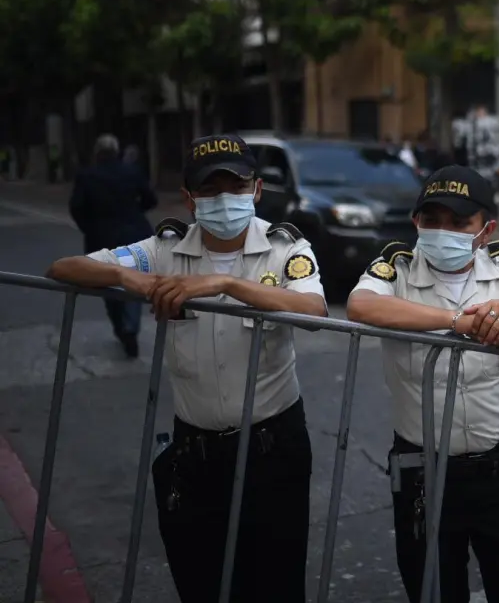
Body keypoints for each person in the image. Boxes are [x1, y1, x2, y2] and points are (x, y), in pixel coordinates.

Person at [47, 134, 327, 603]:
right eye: (210, 189)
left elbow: (314, 309)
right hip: (195, 451)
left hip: (272, 448)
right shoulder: (164, 249)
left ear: (256, 191)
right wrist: (123, 274)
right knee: (204, 584)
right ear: (189, 197)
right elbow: (63, 267)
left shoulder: (284, 249)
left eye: (235, 188)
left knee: (276, 586)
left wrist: (226, 284)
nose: (224, 200)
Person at [345, 165, 499, 602]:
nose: (442, 230)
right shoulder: (398, 267)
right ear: (416, 223)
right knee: (433, 590)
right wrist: (455, 322)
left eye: (458, 222)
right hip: (425, 475)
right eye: (432, 220)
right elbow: (361, 306)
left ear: (485, 229)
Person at [68, 134, 159, 358]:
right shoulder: (132, 171)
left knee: (108, 283)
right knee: (133, 280)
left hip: (101, 238)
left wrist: (89, 227)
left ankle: (120, 327)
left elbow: (77, 208)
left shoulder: (87, 176)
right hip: (134, 234)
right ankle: (130, 327)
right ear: (117, 151)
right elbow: (151, 199)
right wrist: (134, 213)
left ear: (97, 153)